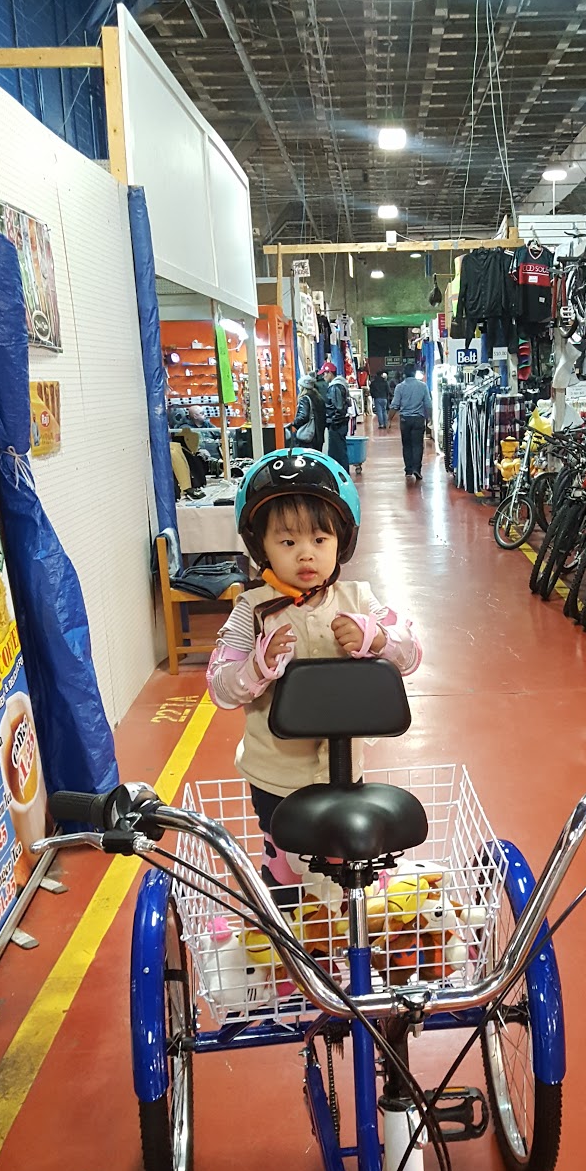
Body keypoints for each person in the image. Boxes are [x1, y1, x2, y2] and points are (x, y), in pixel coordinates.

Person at [207, 451, 421, 894]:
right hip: (274, 777)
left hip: (345, 772)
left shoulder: (360, 599)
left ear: (340, 542)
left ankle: (347, 930)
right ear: (260, 545)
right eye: (287, 542)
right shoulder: (251, 610)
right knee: (285, 868)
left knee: (346, 868)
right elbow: (220, 688)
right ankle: (291, 933)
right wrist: (257, 667)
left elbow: (413, 655)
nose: (306, 554)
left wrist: (376, 639)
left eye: (320, 539)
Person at [390, 369, 433, 482]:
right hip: (418, 419)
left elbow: (395, 404)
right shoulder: (423, 386)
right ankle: (417, 468)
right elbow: (428, 404)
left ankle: (408, 469)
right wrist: (430, 418)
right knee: (418, 445)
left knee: (407, 445)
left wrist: (389, 420)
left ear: (404, 375)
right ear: (414, 374)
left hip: (405, 419)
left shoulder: (400, 387)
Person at [320, 360, 351, 472]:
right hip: (340, 424)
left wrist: (333, 422)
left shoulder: (335, 387)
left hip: (337, 425)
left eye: (325, 373)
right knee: (340, 450)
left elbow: (338, 408)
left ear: (330, 373)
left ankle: (341, 474)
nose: (323, 376)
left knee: (337, 452)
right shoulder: (340, 385)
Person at [289, 369, 326, 451]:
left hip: (308, 436)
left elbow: (303, 416)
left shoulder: (305, 399)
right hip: (318, 435)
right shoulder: (318, 398)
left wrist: (294, 423)